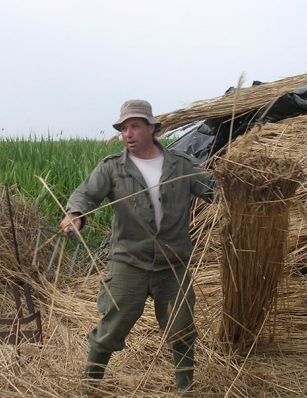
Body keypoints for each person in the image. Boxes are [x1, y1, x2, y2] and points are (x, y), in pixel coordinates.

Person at [60, 99, 214, 395]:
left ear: (153, 128)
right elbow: (85, 195)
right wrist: (75, 215)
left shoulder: (180, 165)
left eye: (135, 126)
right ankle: (89, 387)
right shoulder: (113, 168)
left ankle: (186, 389)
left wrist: (243, 187)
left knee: (181, 328)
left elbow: (214, 189)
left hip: (172, 264)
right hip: (129, 261)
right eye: (123, 128)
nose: (128, 134)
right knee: (113, 326)